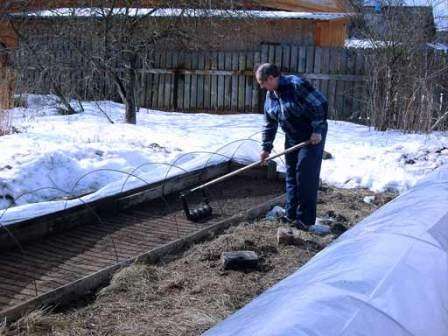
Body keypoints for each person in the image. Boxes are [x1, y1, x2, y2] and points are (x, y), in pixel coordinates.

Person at [256, 63, 328, 232]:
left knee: (305, 174)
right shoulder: (270, 95)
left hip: (311, 135)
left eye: (262, 82)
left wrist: (317, 130)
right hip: (292, 135)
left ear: (272, 78)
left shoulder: (296, 85)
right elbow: (269, 123)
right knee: (291, 174)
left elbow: (320, 104)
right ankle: (291, 215)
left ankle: (305, 220)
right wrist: (266, 148)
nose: (261, 87)